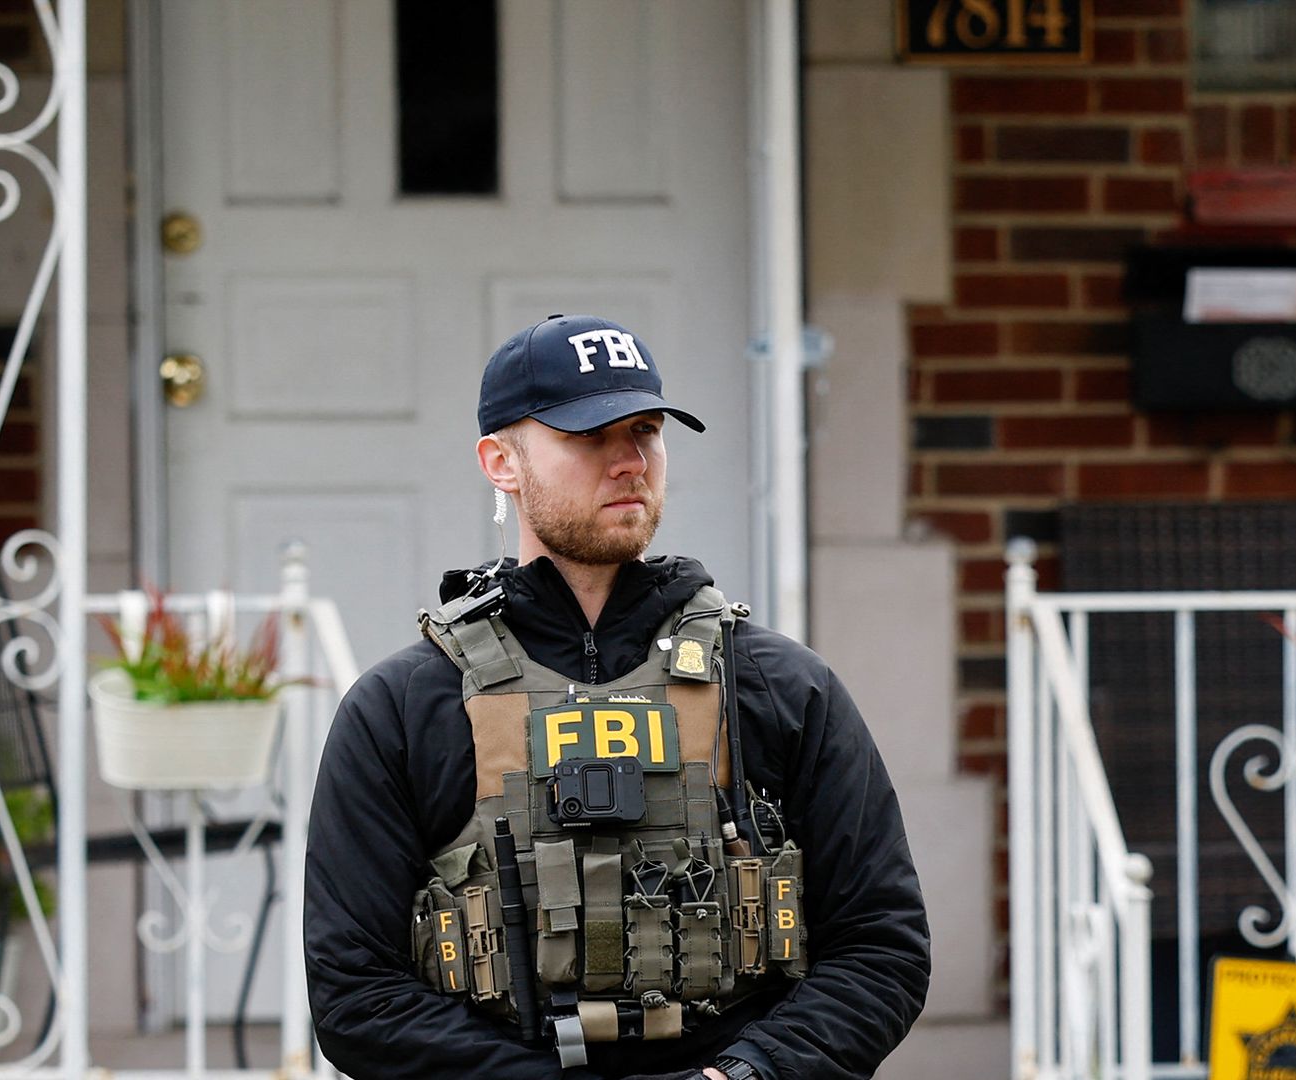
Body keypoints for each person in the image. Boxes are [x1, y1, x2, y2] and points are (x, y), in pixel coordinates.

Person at [304, 314, 931, 1079]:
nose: (631, 460)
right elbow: (355, 996)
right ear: (500, 461)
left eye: (645, 429)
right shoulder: (404, 706)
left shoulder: (776, 685)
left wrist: (745, 1075)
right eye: (589, 435)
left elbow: (880, 946)